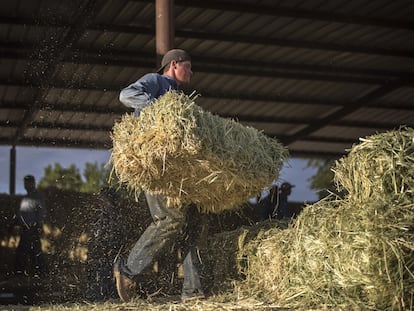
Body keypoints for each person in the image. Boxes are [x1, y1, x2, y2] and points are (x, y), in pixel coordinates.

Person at [114, 49, 205, 302]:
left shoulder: (179, 97)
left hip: (176, 172)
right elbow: (126, 95)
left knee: (192, 222)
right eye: (188, 66)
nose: (191, 72)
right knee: (169, 219)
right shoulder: (157, 82)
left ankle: (193, 291)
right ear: (174, 65)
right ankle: (128, 271)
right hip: (154, 166)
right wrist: (158, 110)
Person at [13, 175, 47, 276]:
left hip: (32, 228)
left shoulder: (37, 196)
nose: (25, 185)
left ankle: (39, 273)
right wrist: (17, 222)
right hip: (26, 228)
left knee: (29, 252)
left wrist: (37, 225)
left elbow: (41, 211)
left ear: (32, 183)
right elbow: (23, 213)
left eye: (27, 182)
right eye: (25, 183)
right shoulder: (26, 198)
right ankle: (39, 273)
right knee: (32, 251)